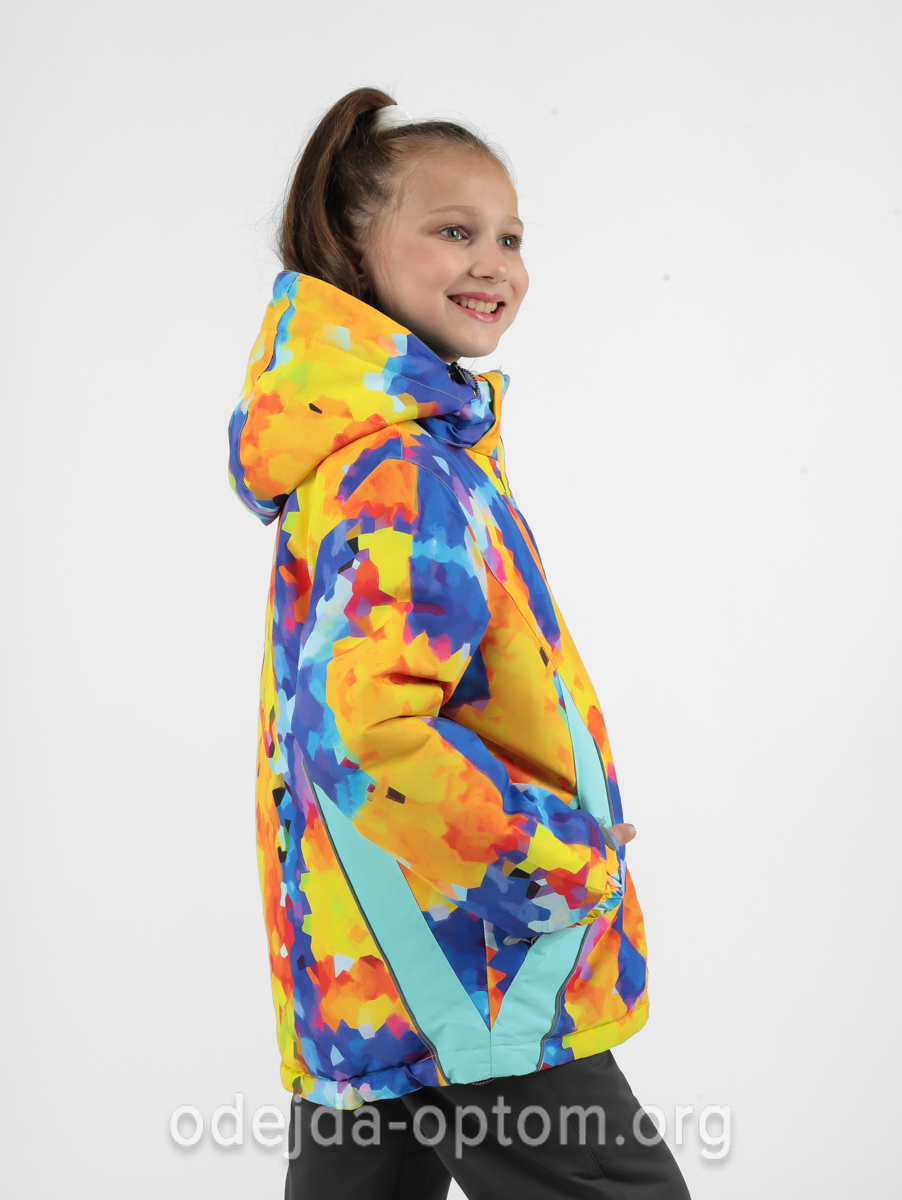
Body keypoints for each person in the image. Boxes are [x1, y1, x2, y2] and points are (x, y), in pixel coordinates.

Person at [228, 86, 691, 1200]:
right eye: (452, 230)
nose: (493, 264)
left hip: (378, 970)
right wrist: (558, 858)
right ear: (354, 246)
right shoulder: (399, 468)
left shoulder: (385, 452)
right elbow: (363, 737)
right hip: (470, 971)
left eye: (510, 238)